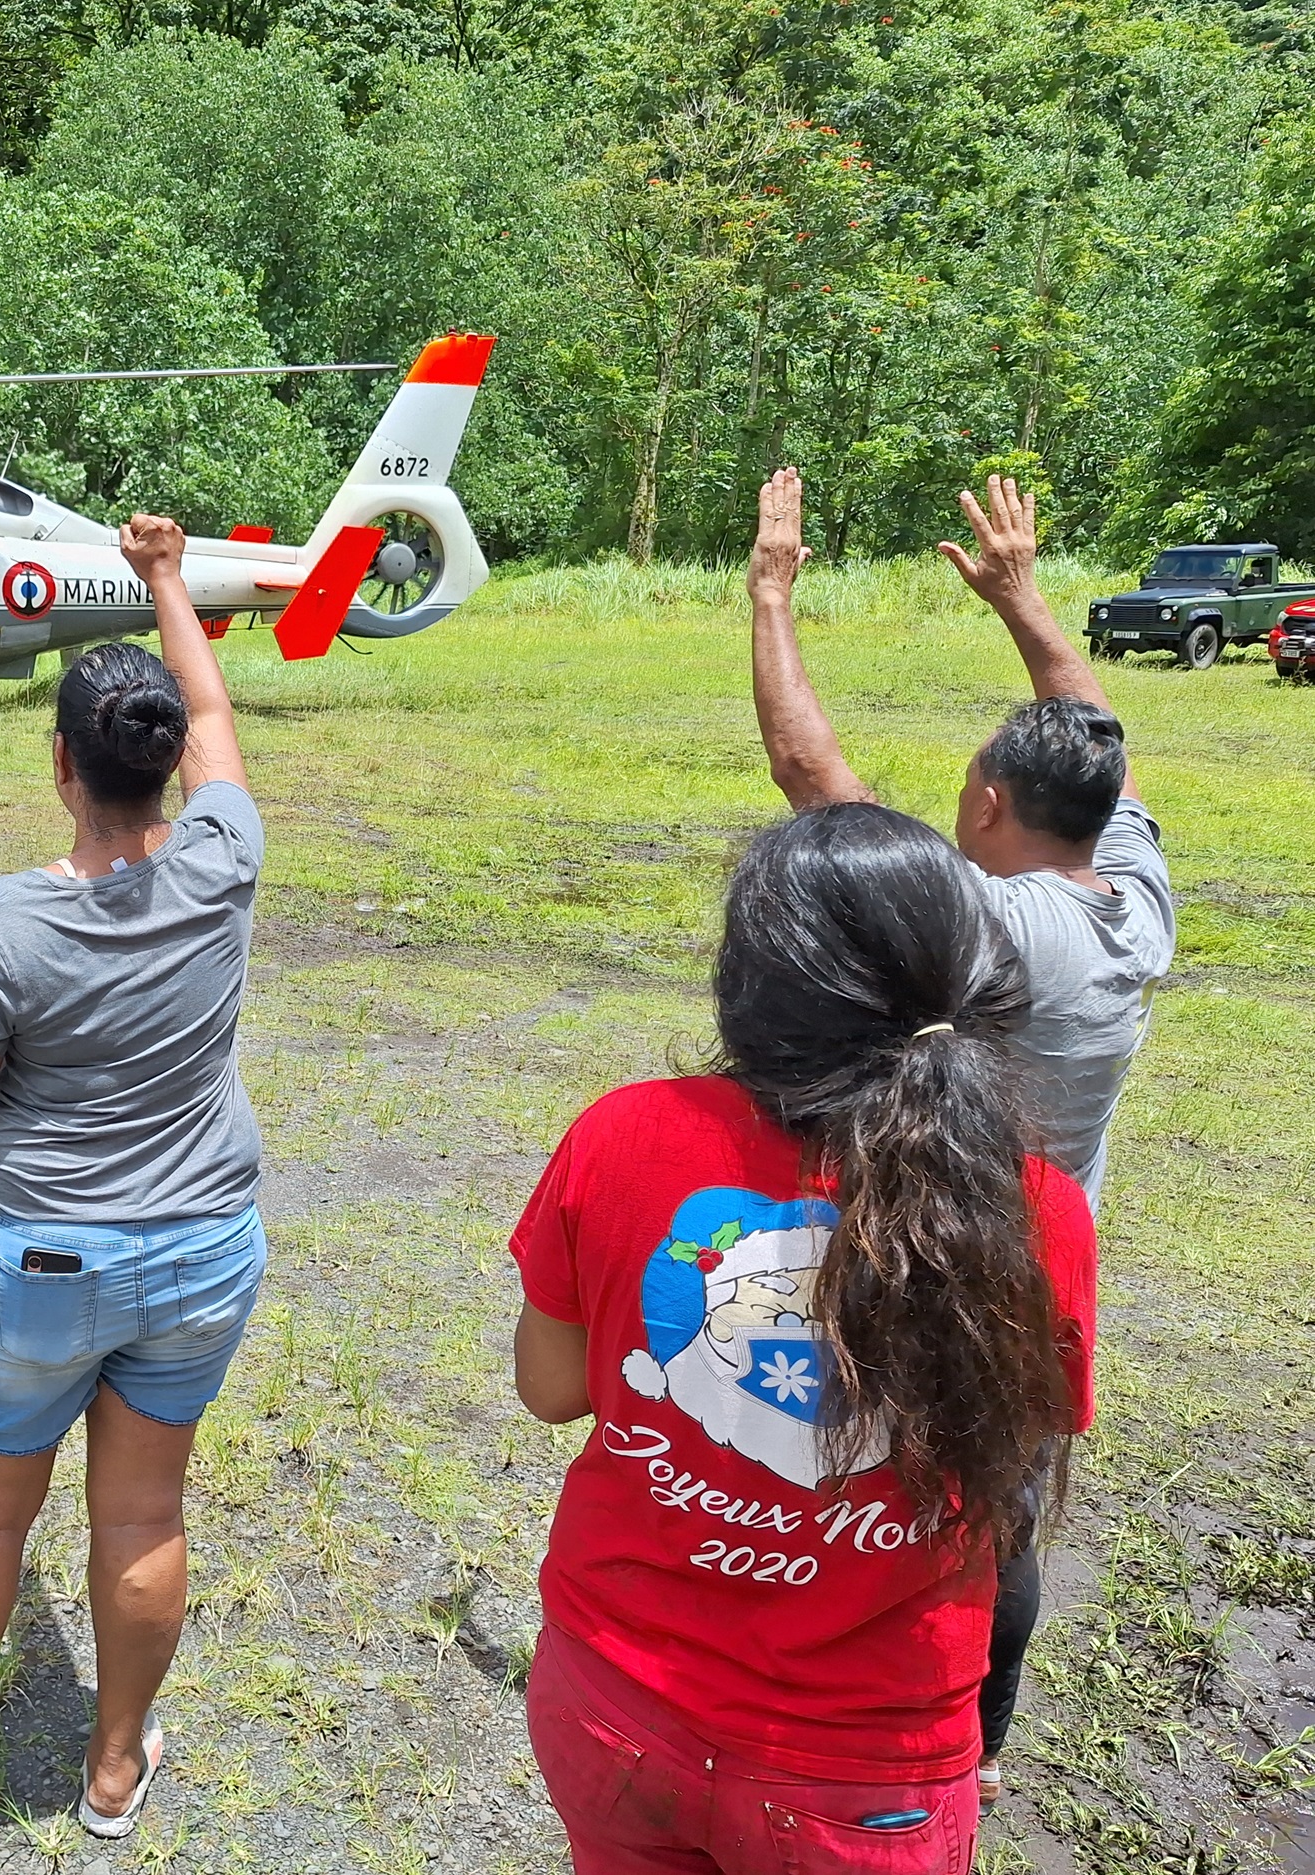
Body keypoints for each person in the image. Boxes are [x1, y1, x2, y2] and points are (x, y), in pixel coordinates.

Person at [511, 806, 1099, 1875]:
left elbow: (551, 1388)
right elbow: (1017, 1459)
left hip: (616, 1705)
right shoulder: (1038, 1209)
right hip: (866, 1771)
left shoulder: (622, 1133)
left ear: (751, 983)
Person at [0, 514, 265, 1855]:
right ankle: (117, 1766)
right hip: (199, 1254)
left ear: (62, 763)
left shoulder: (7, 921)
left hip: (33, 1264)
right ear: (166, 770)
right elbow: (213, 711)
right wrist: (169, 582)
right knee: (143, 1511)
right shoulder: (222, 861)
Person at [745, 470, 1175, 1803]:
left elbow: (817, 782)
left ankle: (859, 1713)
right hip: (1049, 1267)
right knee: (1004, 1508)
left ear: (986, 796)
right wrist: (1023, 600)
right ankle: (978, 1745)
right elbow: (1101, 733)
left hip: (943, 1248)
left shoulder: (996, 930)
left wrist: (770, 596)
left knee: (876, 1489)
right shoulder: (1133, 894)